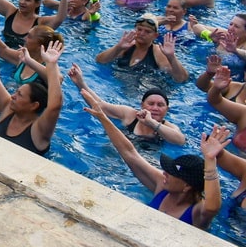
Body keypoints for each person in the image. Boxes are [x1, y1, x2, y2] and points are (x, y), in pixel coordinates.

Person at [81, 87, 224, 230]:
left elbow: (212, 207)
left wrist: (210, 160)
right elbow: (129, 152)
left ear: (187, 186)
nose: (165, 173)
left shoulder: (197, 212)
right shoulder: (161, 184)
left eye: (172, 172)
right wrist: (103, 119)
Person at [0, 17, 65, 156]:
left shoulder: (39, 130)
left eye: (19, 95)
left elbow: (54, 106)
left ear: (34, 105)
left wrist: (51, 64)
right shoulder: (8, 108)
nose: (12, 96)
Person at [70, 72, 185, 145]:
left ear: (167, 110)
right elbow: (100, 105)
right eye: (151, 104)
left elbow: (181, 141)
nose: (155, 108)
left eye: (160, 105)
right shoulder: (130, 114)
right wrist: (80, 83)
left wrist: (152, 123)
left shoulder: (169, 127)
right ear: (142, 105)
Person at [95, 15, 188, 83]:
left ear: (155, 36)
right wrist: (118, 48)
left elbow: (181, 79)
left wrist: (171, 57)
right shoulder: (126, 46)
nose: (142, 33)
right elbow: (100, 61)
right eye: (139, 29)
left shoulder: (158, 52)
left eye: (147, 31)